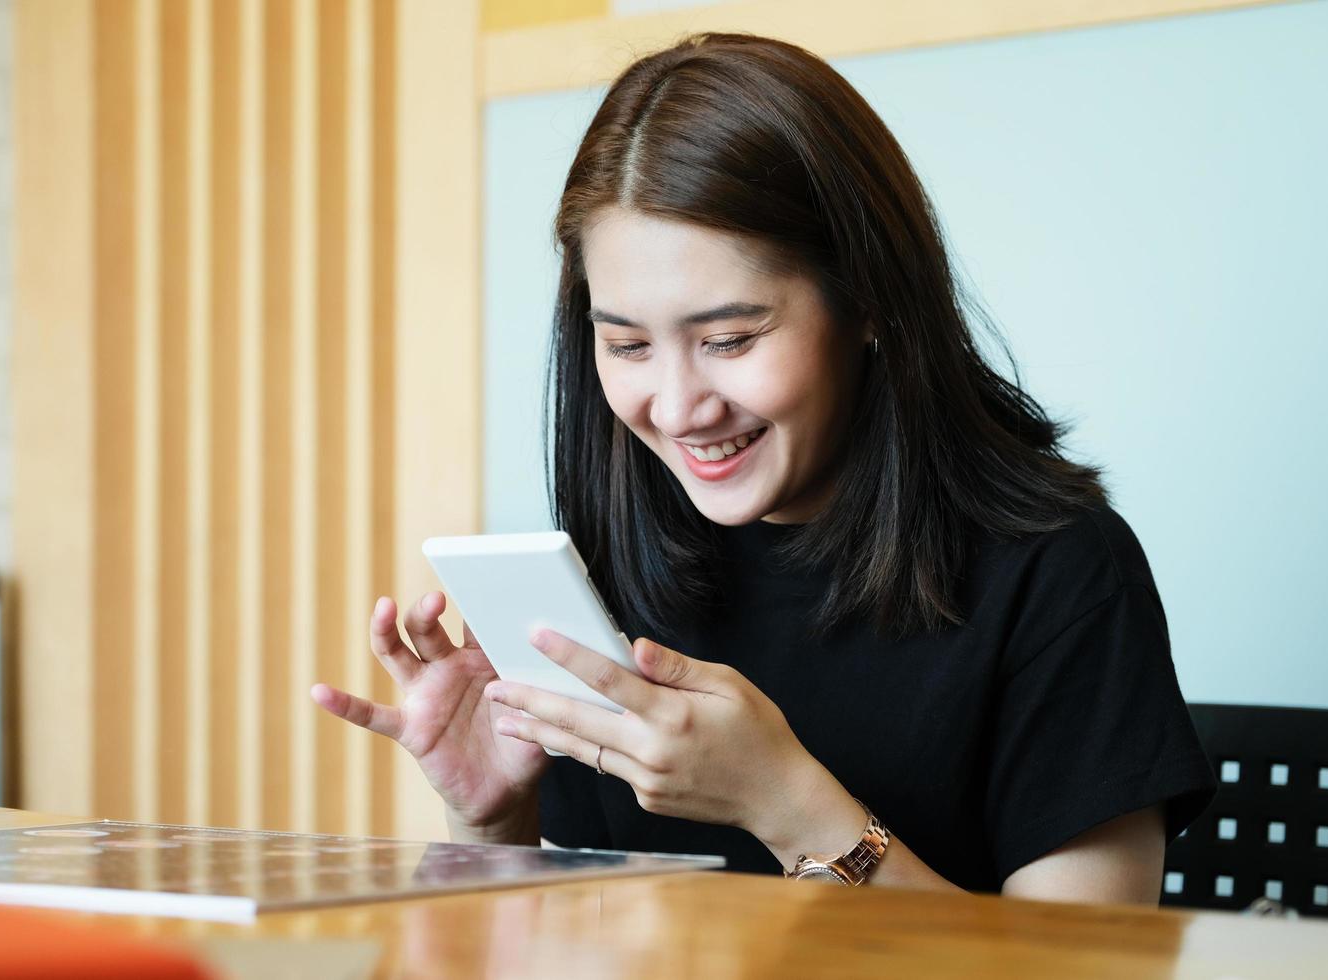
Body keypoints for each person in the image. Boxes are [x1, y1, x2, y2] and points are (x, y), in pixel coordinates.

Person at [312, 33, 1215, 901]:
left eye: (730, 338)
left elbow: (1083, 969)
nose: (676, 407)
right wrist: (491, 824)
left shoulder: (1058, 571)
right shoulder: (613, 569)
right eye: (626, 345)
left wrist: (786, 805)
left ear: (867, 301)